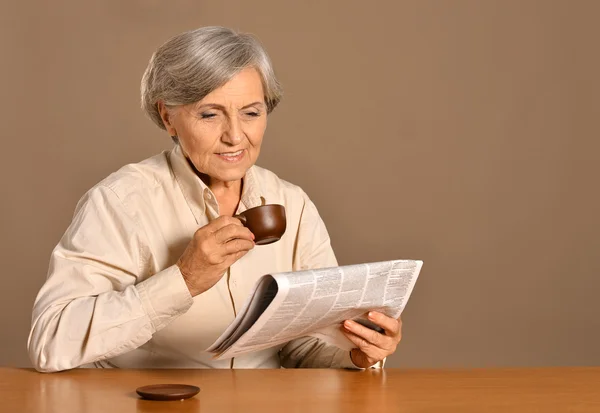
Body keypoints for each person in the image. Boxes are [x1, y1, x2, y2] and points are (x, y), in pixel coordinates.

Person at [27, 26, 403, 372]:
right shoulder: (120, 202)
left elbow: (303, 345)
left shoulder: (294, 203)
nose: (235, 136)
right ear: (168, 117)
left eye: (251, 113)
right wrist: (184, 279)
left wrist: (356, 352)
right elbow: (50, 340)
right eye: (210, 114)